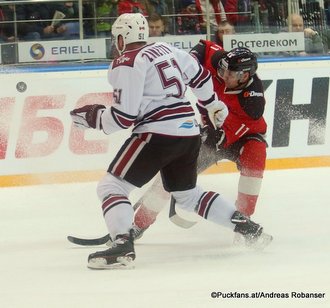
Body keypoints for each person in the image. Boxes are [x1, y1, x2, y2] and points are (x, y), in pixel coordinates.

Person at [70, 13, 272, 269]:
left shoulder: (126, 61)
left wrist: (92, 117)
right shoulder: (167, 48)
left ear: (121, 38)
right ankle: (247, 227)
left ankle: (122, 244)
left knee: (112, 187)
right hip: (188, 133)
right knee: (187, 195)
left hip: (156, 133)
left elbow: (123, 117)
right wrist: (211, 104)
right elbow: (200, 77)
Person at [133, 42, 267, 241]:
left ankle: (245, 223)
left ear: (245, 76)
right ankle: (138, 225)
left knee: (255, 157)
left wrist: (218, 135)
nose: (223, 76)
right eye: (223, 71)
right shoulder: (219, 61)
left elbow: (233, 128)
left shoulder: (253, 101)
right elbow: (204, 47)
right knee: (169, 179)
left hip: (244, 138)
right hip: (213, 132)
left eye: (230, 74)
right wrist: (191, 64)